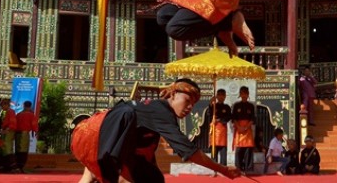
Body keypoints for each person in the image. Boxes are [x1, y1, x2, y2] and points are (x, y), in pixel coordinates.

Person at [71, 78, 240, 183]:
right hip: (91, 136)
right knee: (126, 114)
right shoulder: (162, 112)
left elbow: (145, 150)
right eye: (187, 100)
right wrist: (223, 169)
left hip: (100, 141)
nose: (189, 107)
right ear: (173, 94)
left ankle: (94, 173)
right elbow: (189, 151)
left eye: (193, 105)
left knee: (153, 178)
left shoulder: (155, 112)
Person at [231, 85, 255, 172]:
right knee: (239, 149)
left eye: (245, 93)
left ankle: (248, 169)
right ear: (240, 95)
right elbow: (234, 118)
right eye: (242, 93)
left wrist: (246, 127)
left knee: (248, 149)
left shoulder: (251, 106)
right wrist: (239, 127)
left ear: (248, 94)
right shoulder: (236, 105)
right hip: (239, 128)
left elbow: (252, 119)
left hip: (247, 129)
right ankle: (238, 168)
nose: (244, 95)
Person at [204, 88, 230, 166]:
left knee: (223, 149)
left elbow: (228, 117)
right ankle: (213, 167)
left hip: (222, 130)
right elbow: (209, 114)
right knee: (213, 149)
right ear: (217, 96)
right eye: (219, 95)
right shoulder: (213, 106)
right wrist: (210, 103)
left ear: (225, 96)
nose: (221, 97)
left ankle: (223, 167)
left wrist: (219, 120)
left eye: (223, 95)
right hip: (214, 130)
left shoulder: (227, 107)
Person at [15, 100, 39, 173]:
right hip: (25, 134)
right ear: (30, 106)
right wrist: (36, 132)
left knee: (17, 149)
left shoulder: (18, 114)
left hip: (17, 134)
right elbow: (34, 124)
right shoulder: (31, 115)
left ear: (24, 105)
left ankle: (17, 166)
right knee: (24, 150)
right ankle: (21, 166)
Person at [0, 98, 18, 172]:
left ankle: (11, 167)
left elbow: (12, 124)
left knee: (8, 149)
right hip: (6, 132)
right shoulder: (6, 112)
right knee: (3, 149)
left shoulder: (11, 112)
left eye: (2, 105)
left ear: (6, 104)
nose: (2, 107)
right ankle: (5, 166)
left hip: (9, 132)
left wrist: (6, 130)